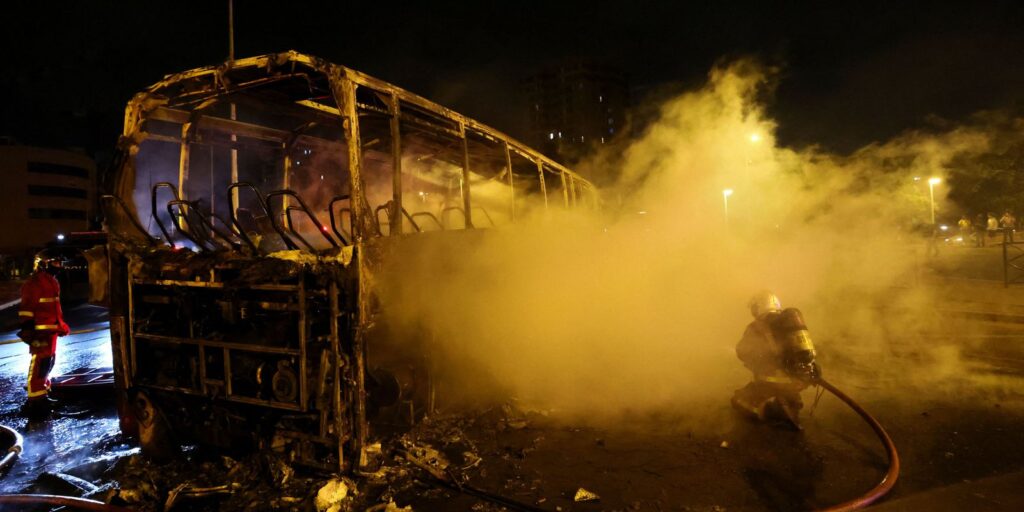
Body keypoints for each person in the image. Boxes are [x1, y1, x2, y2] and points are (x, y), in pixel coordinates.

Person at [731, 291, 820, 429]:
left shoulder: (757, 326)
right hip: (797, 384)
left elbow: (742, 351)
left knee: (738, 401)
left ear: (760, 306)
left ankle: (771, 407)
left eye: (754, 307)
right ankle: (790, 403)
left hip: (770, 383)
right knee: (789, 395)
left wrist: (757, 361)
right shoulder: (789, 324)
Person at [18, 255, 70, 417]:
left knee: (48, 362)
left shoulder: (51, 281)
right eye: (56, 262)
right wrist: (28, 327)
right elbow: (27, 306)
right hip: (39, 331)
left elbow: (54, 307)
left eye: (60, 263)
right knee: (39, 363)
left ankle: (43, 393)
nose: (59, 266)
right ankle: (35, 399)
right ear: (44, 263)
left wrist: (60, 326)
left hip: (51, 329)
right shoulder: (34, 282)